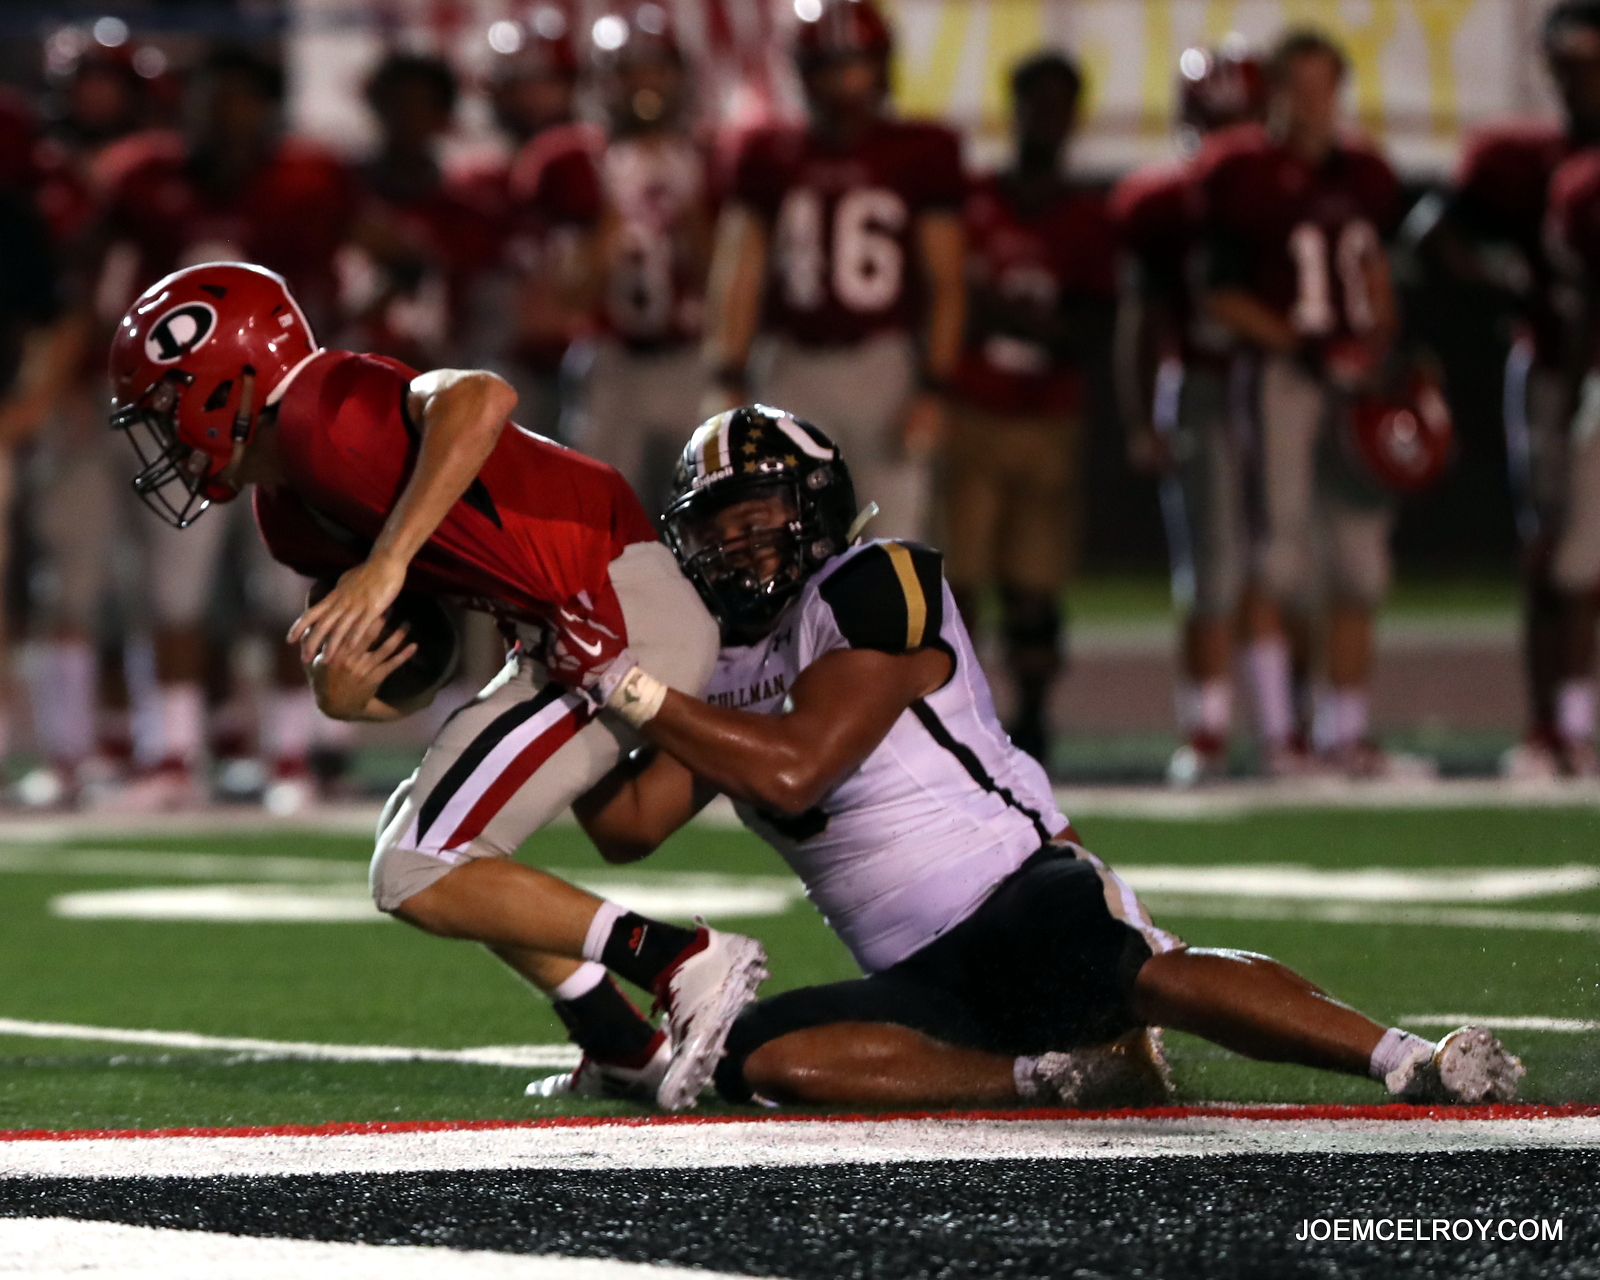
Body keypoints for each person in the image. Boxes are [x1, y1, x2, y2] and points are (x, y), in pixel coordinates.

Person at [532, 405, 1524, 1109]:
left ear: (817, 505)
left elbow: (797, 767)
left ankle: (1408, 1056)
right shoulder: (712, 661)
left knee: (1147, 973)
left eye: (762, 515)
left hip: (1015, 885)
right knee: (751, 1058)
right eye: (720, 528)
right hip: (913, 969)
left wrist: (628, 684)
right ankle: (1053, 1076)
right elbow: (625, 825)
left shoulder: (876, 578)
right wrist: (566, 682)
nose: (744, 546)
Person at [107, 260, 764, 1110]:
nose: (163, 434)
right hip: (562, 637)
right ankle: (620, 1042)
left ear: (224, 383)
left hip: (612, 614)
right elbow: (416, 662)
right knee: (415, 834)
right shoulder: (290, 510)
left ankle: (680, 960)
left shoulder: (326, 408)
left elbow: (481, 397)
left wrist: (386, 561)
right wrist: (350, 700)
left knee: (417, 863)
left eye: (166, 404)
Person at [92, 47, 360, 809]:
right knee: (173, 589)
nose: (223, 115)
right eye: (212, 98)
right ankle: (172, 752)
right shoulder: (143, 179)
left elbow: (360, 263)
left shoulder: (308, 181)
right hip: (179, 415)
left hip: (280, 412)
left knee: (289, 589)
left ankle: (291, 754)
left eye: (240, 99)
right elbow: (102, 277)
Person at [1194, 30, 1417, 778]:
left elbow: (1376, 271)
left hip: (1355, 380)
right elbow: (1219, 291)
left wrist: (1383, 349)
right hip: (1285, 377)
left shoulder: (1367, 172)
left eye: (1326, 86)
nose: (1315, 103)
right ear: (1275, 92)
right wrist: (1300, 343)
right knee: (1276, 555)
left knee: (1359, 563)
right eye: (1300, 86)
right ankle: (1283, 735)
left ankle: (1345, 733)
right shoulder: (1243, 172)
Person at [1414, 0, 1600, 778]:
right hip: (1554, 370)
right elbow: (1431, 231)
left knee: (1580, 559)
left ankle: (1575, 728)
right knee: (1554, 555)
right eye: (1568, 65)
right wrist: (1509, 282)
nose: (1579, 80)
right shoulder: (1528, 157)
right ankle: (1556, 727)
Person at [1111, 41, 1303, 784]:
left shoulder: (1283, 190)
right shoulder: (1166, 203)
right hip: (1201, 383)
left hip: (1278, 385)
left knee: (1276, 562)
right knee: (1211, 569)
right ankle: (1211, 728)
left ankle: (1285, 729)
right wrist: (1140, 416)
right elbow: (1141, 318)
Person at [701, 0, 964, 540]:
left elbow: (946, 279)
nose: (845, 83)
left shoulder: (921, 149)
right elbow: (739, 271)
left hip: (883, 363)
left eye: (856, 65)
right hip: (790, 362)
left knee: (892, 544)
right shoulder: (768, 150)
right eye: (828, 68)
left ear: (881, 67)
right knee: (781, 540)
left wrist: (935, 387)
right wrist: (727, 373)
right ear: (802, 73)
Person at [941, 51, 1114, 767]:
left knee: (1035, 585)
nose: (1044, 118)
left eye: (1057, 105)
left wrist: (1002, 311)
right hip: (975, 409)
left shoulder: (1083, 216)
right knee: (961, 580)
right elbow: (956, 296)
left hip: (1046, 413)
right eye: (1033, 102)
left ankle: (1034, 718)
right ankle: (961, 714)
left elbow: (1087, 321)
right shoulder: (976, 198)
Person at [567, 2, 717, 515]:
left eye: (654, 68)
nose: (642, 84)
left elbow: (725, 279)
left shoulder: (712, 158)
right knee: (600, 518)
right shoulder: (572, 162)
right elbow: (567, 293)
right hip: (610, 361)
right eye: (628, 71)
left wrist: (688, 198)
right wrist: (613, 207)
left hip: (693, 358)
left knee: (700, 514)